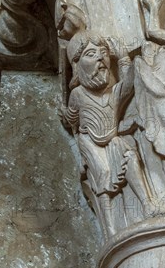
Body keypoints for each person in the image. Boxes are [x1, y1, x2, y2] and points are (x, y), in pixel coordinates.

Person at [65, 31, 154, 237]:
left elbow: (129, 83)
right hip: (90, 141)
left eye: (103, 52)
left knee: (129, 155)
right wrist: (67, 117)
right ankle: (110, 229)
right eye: (90, 54)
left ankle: (147, 203)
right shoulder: (78, 94)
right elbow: (72, 118)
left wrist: (123, 58)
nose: (99, 58)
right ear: (77, 66)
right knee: (102, 179)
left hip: (113, 138)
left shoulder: (112, 93)